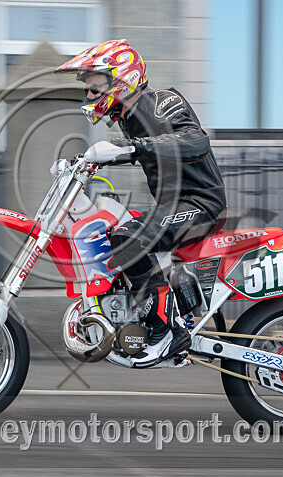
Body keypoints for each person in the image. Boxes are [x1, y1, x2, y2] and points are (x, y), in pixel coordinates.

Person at [56, 39, 226, 368]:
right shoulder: (129, 117)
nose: (89, 97)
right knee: (115, 231)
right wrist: (77, 164)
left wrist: (131, 148)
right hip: (173, 206)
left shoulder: (164, 102)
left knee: (127, 238)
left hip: (202, 204)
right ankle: (141, 312)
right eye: (88, 90)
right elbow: (135, 147)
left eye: (94, 89)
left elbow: (195, 139)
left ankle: (163, 330)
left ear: (121, 81)